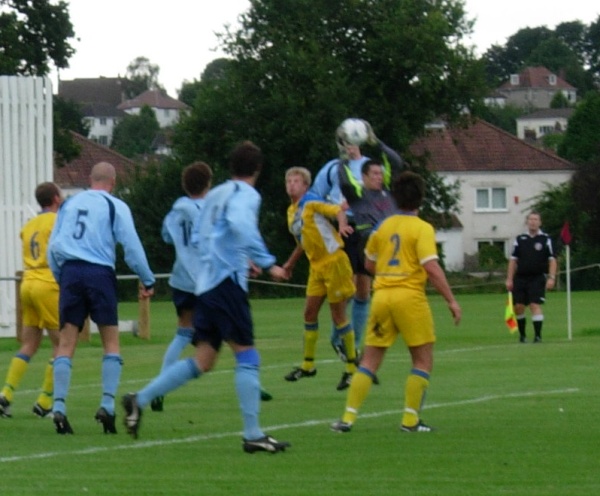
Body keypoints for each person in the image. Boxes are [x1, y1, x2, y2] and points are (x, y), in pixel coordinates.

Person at [122, 141, 291, 454]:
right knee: (247, 356)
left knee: (203, 360)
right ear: (257, 169)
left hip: (206, 285)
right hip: (226, 285)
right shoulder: (246, 194)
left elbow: (202, 236)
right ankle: (253, 434)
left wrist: (237, 257)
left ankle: (139, 399)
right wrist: (266, 262)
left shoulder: (216, 194)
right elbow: (240, 225)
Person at [330, 171, 461, 433]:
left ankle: (347, 419)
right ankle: (410, 421)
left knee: (369, 360)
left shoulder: (383, 226)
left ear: (394, 198)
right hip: (409, 297)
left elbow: (368, 264)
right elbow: (432, 268)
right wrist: (451, 300)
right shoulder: (422, 228)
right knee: (422, 360)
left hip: (382, 297)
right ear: (420, 199)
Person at [47, 161, 155, 435]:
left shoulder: (70, 204)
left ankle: (58, 407)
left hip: (70, 271)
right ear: (113, 182)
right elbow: (131, 247)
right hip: (99, 273)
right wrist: (147, 277)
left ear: (90, 180)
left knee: (66, 342)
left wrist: (62, 276)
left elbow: (53, 247)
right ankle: (106, 405)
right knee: (111, 340)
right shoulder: (115, 206)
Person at [311, 119, 400, 358]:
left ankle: (353, 344)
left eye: (352, 141)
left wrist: (377, 141)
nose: (348, 146)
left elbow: (396, 163)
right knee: (346, 288)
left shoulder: (371, 167)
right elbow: (314, 198)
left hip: (367, 231)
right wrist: (330, 216)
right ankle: (338, 335)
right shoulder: (332, 168)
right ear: (340, 142)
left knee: (363, 290)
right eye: (344, 141)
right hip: (343, 228)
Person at [282, 167, 358, 391]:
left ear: (305, 186)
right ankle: (308, 365)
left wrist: (343, 224)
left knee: (338, 316)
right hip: (316, 267)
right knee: (309, 313)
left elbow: (337, 211)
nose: (292, 185)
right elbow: (302, 240)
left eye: (297, 181)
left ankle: (352, 368)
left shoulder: (312, 202)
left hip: (334, 261)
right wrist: (290, 264)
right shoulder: (291, 211)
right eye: (289, 181)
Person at [149, 162, 213, 413]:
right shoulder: (208, 209)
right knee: (228, 330)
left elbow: (166, 235)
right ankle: (249, 378)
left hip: (181, 279)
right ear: (208, 184)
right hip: (205, 280)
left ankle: (160, 388)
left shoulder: (176, 209)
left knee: (182, 333)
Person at [0, 182, 62, 419]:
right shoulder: (56, 221)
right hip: (47, 282)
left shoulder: (29, 225)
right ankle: (45, 401)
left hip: (27, 281)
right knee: (62, 344)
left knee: (29, 344)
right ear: (56, 198)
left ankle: (6, 394)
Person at [505, 211, 557, 343]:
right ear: (527, 222)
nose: (533, 222)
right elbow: (513, 260)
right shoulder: (520, 239)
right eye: (531, 219)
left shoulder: (545, 239)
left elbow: (552, 260)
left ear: (540, 222)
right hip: (520, 278)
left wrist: (551, 277)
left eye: (536, 219)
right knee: (519, 306)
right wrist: (509, 279)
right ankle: (522, 335)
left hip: (537, 278)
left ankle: (538, 336)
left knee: (534, 304)